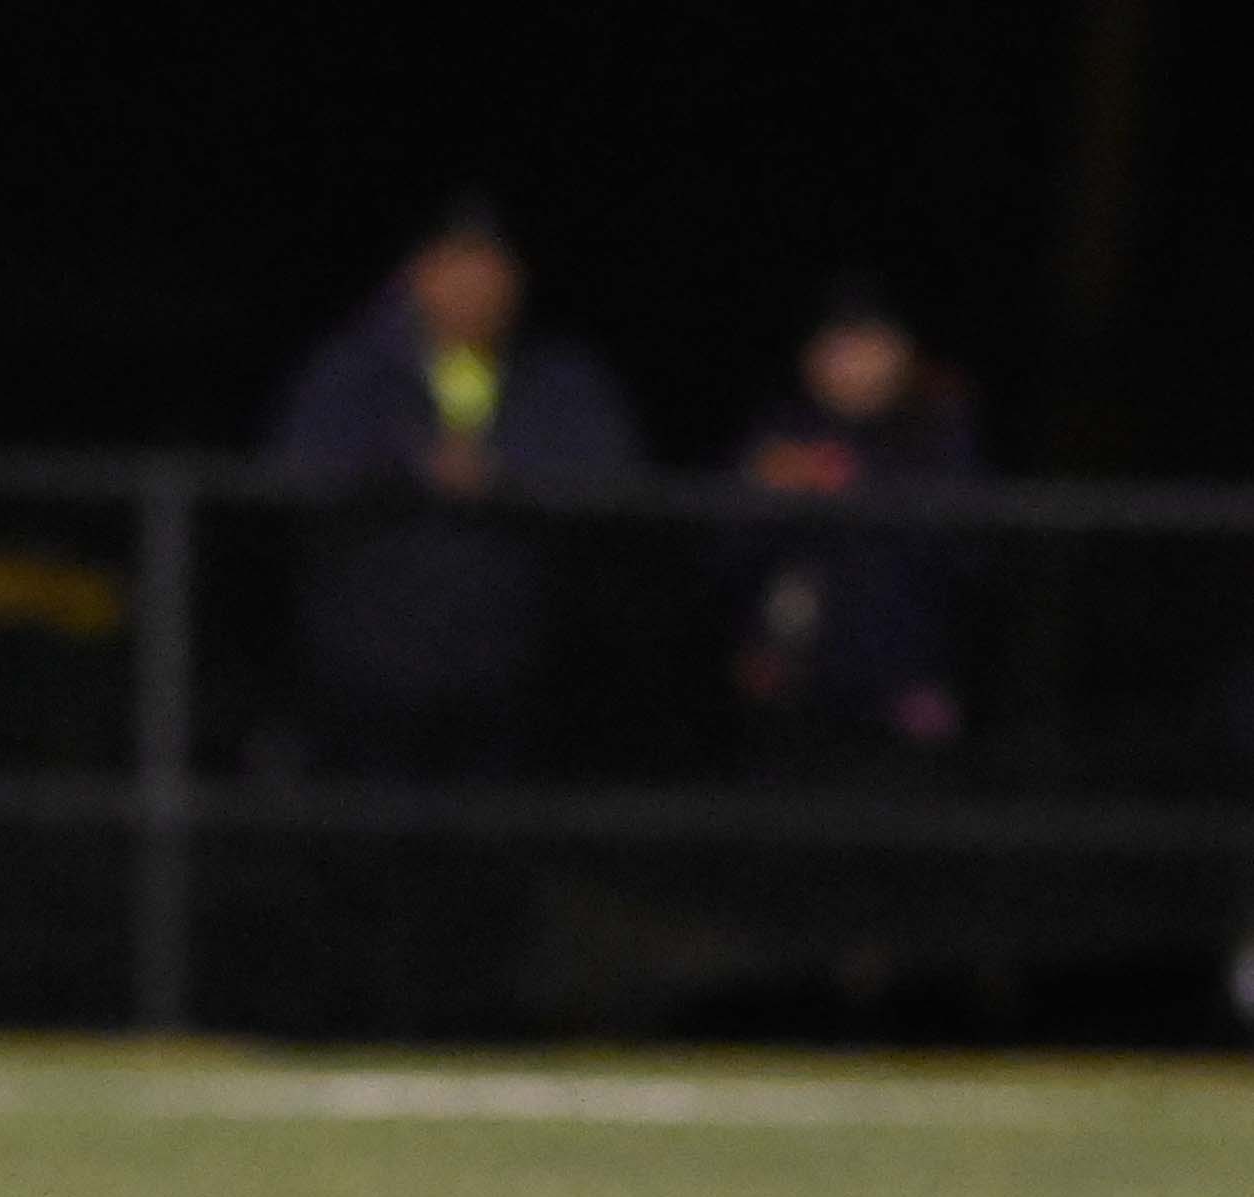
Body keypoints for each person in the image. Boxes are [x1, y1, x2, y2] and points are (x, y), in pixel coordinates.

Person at [264, 200, 641, 775]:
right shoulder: (352, 368)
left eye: (492, 268)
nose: (475, 288)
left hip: (521, 665)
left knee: (501, 831)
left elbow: (611, 480)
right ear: (415, 272)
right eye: (455, 266)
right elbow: (302, 468)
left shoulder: (559, 375)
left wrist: (503, 477)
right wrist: (411, 468)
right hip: (369, 661)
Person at [731, 282, 982, 758]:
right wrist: (768, 489)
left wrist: (859, 484)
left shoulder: (936, 436)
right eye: (836, 346)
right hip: (789, 692)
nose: (850, 363)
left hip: (903, 697)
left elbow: (966, 559)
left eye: (868, 344)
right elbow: (725, 555)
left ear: (901, 351)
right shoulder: (780, 432)